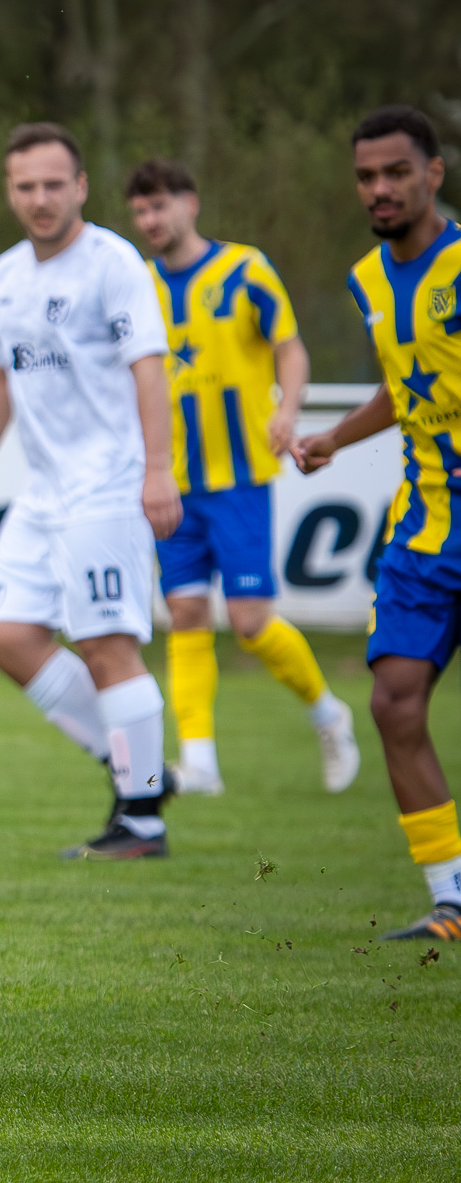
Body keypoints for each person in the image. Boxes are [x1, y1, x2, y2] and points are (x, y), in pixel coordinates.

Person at [0, 123, 182, 859]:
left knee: (106, 643)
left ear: (81, 187)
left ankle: (142, 817)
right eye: (26, 186)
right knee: (10, 638)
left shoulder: (114, 264)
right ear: (9, 193)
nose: (41, 199)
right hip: (44, 491)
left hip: (109, 483)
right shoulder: (6, 273)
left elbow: (150, 368)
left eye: (55, 184)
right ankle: (139, 765)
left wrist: (157, 470)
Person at [125, 158, 360, 796]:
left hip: (238, 479)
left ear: (190, 203)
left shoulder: (244, 270)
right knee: (184, 612)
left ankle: (328, 714)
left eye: (159, 206)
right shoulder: (137, 285)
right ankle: (199, 762)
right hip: (170, 481)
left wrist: (287, 409)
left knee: (251, 621)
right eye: (140, 211)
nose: (150, 220)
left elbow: (290, 346)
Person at [293, 105, 461, 942]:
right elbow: (407, 384)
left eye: (397, 172)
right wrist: (335, 437)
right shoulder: (368, 279)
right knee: (395, 702)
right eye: (366, 176)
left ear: (434, 172)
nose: (380, 189)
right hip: (425, 528)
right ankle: (452, 900)